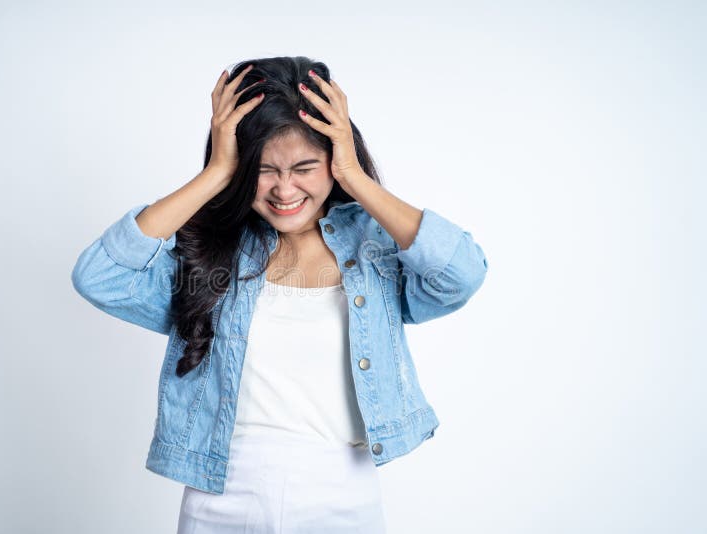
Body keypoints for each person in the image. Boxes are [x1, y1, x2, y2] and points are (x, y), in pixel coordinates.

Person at [71, 55, 489, 533]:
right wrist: (216, 173)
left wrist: (354, 175)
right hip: (220, 496)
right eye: (263, 170)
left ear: (334, 160)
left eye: (305, 167)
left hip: (344, 496)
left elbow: (462, 274)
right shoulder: (211, 254)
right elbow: (98, 276)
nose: (283, 189)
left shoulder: (375, 249)